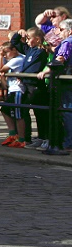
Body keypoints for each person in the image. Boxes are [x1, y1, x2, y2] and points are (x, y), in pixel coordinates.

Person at [36, 18, 72, 155]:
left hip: (66, 81)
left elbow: (60, 59)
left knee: (66, 111)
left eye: (61, 30)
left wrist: (45, 71)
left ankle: (68, 142)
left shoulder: (67, 42)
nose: (59, 32)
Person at [0, 39, 28, 148]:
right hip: (12, 89)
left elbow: (1, 70)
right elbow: (2, 77)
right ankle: (12, 134)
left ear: (14, 50)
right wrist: (3, 79)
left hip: (18, 90)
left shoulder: (18, 59)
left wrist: (0, 57)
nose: (5, 55)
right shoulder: (12, 59)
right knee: (4, 110)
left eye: (6, 52)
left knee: (19, 115)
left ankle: (21, 138)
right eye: (3, 53)